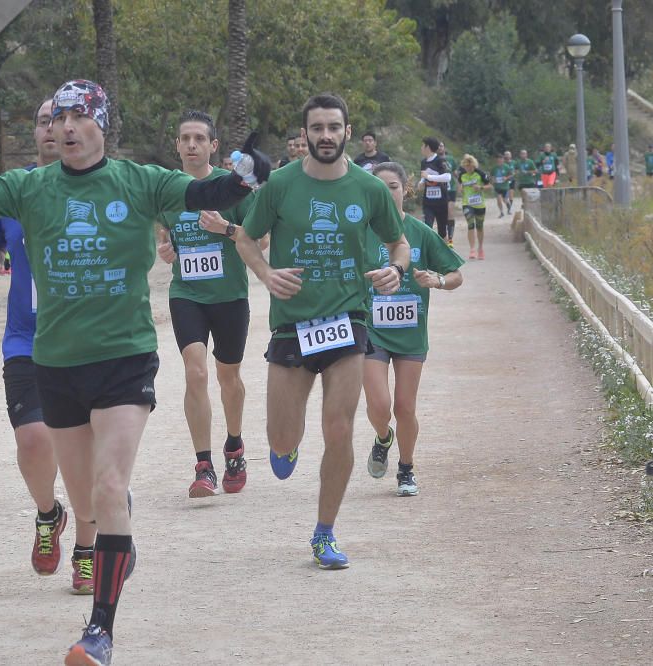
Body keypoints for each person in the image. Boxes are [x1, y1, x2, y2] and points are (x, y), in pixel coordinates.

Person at [0, 79, 270, 666]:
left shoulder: (140, 181)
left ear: (101, 123)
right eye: (60, 116)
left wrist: (250, 176)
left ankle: (99, 631)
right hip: (55, 362)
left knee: (108, 486)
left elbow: (209, 191)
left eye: (80, 116)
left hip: (124, 358)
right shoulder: (27, 188)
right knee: (87, 504)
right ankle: (102, 536)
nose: (67, 126)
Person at [235, 93, 409, 570]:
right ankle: (284, 446)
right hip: (292, 324)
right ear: (306, 134)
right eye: (318, 128)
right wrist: (266, 274)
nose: (326, 136)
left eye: (334, 127)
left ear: (347, 132)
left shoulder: (368, 189)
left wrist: (395, 269)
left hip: (346, 320)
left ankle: (324, 532)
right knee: (281, 435)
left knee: (340, 427)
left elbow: (399, 243)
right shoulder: (281, 186)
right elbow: (246, 237)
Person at [0, 98, 99, 593]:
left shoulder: (97, 185)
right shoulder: (13, 190)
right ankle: (49, 514)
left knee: (83, 454)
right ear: (36, 131)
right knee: (33, 439)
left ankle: (87, 549)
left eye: (64, 120)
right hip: (26, 338)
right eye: (45, 120)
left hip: (89, 340)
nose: (54, 128)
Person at [153, 110, 259, 498]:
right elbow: (163, 228)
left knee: (228, 377)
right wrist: (164, 247)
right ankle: (204, 465)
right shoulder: (168, 187)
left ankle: (234, 446)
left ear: (213, 146)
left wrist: (224, 229)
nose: (192, 145)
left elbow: (258, 240)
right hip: (187, 295)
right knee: (195, 373)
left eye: (200, 138)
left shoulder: (230, 187)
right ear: (177, 146)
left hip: (230, 296)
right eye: (185, 139)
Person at [363, 162, 464, 496]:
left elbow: (456, 275)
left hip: (410, 334)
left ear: (405, 189)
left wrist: (436, 280)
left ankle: (406, 469)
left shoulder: (421, 232)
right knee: (380, 405)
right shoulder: (359, 231)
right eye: (379, 187)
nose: (387, 193)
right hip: (370, 330)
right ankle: (382, 437)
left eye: (393, 186)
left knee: (405, 406)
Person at [417, 137, 451, 241]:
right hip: (428, 202)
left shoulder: (440, 160)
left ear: (428, 147)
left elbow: (447, 177)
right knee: (427, 228)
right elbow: (424, 176)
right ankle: (429, 254)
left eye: (423, 145)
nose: (421, 148)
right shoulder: (423, 162)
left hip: (441, 201)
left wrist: (429, 177)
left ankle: (445, 253)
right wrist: (421, 183)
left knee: (442, 232)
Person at [458, 154, 490, 260]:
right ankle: (472, 249)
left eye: (470, 166)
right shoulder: (462, 175)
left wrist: (480, 187)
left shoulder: (480, 174)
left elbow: (489, 186)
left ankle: (480, 248)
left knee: (479, 227)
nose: (468, 168)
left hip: (480, 204)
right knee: (470, 224)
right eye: (466, 166)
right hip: (467, 203)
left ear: (474, 165)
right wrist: (460, 189)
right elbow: (460, 185)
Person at [438, 142, 458, 247]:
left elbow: (456, 173)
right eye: (438, 146)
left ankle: (450, 239)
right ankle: (442, 238)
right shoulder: (434, 160)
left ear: (444, 147)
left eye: (441, 145)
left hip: (451, 189)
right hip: (439, 190)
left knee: (450, 213)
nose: (439, 148)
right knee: (441, 215)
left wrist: (461, 182)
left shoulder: (451, 159)